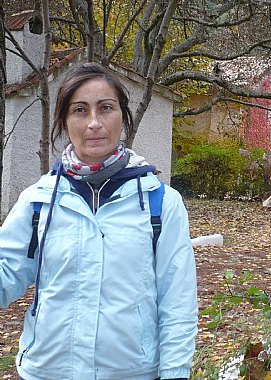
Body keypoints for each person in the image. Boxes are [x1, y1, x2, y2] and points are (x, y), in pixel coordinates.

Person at [0, 63, 198, 380]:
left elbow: (178, 302)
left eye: (105, 108)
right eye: (80, 110)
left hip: (131, 372)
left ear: (123, 116)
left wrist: (175, 372)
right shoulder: (38, 201)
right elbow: (6, 275)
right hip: (47, 371)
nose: (94, 123)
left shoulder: (161, 203)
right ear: (64, 122)